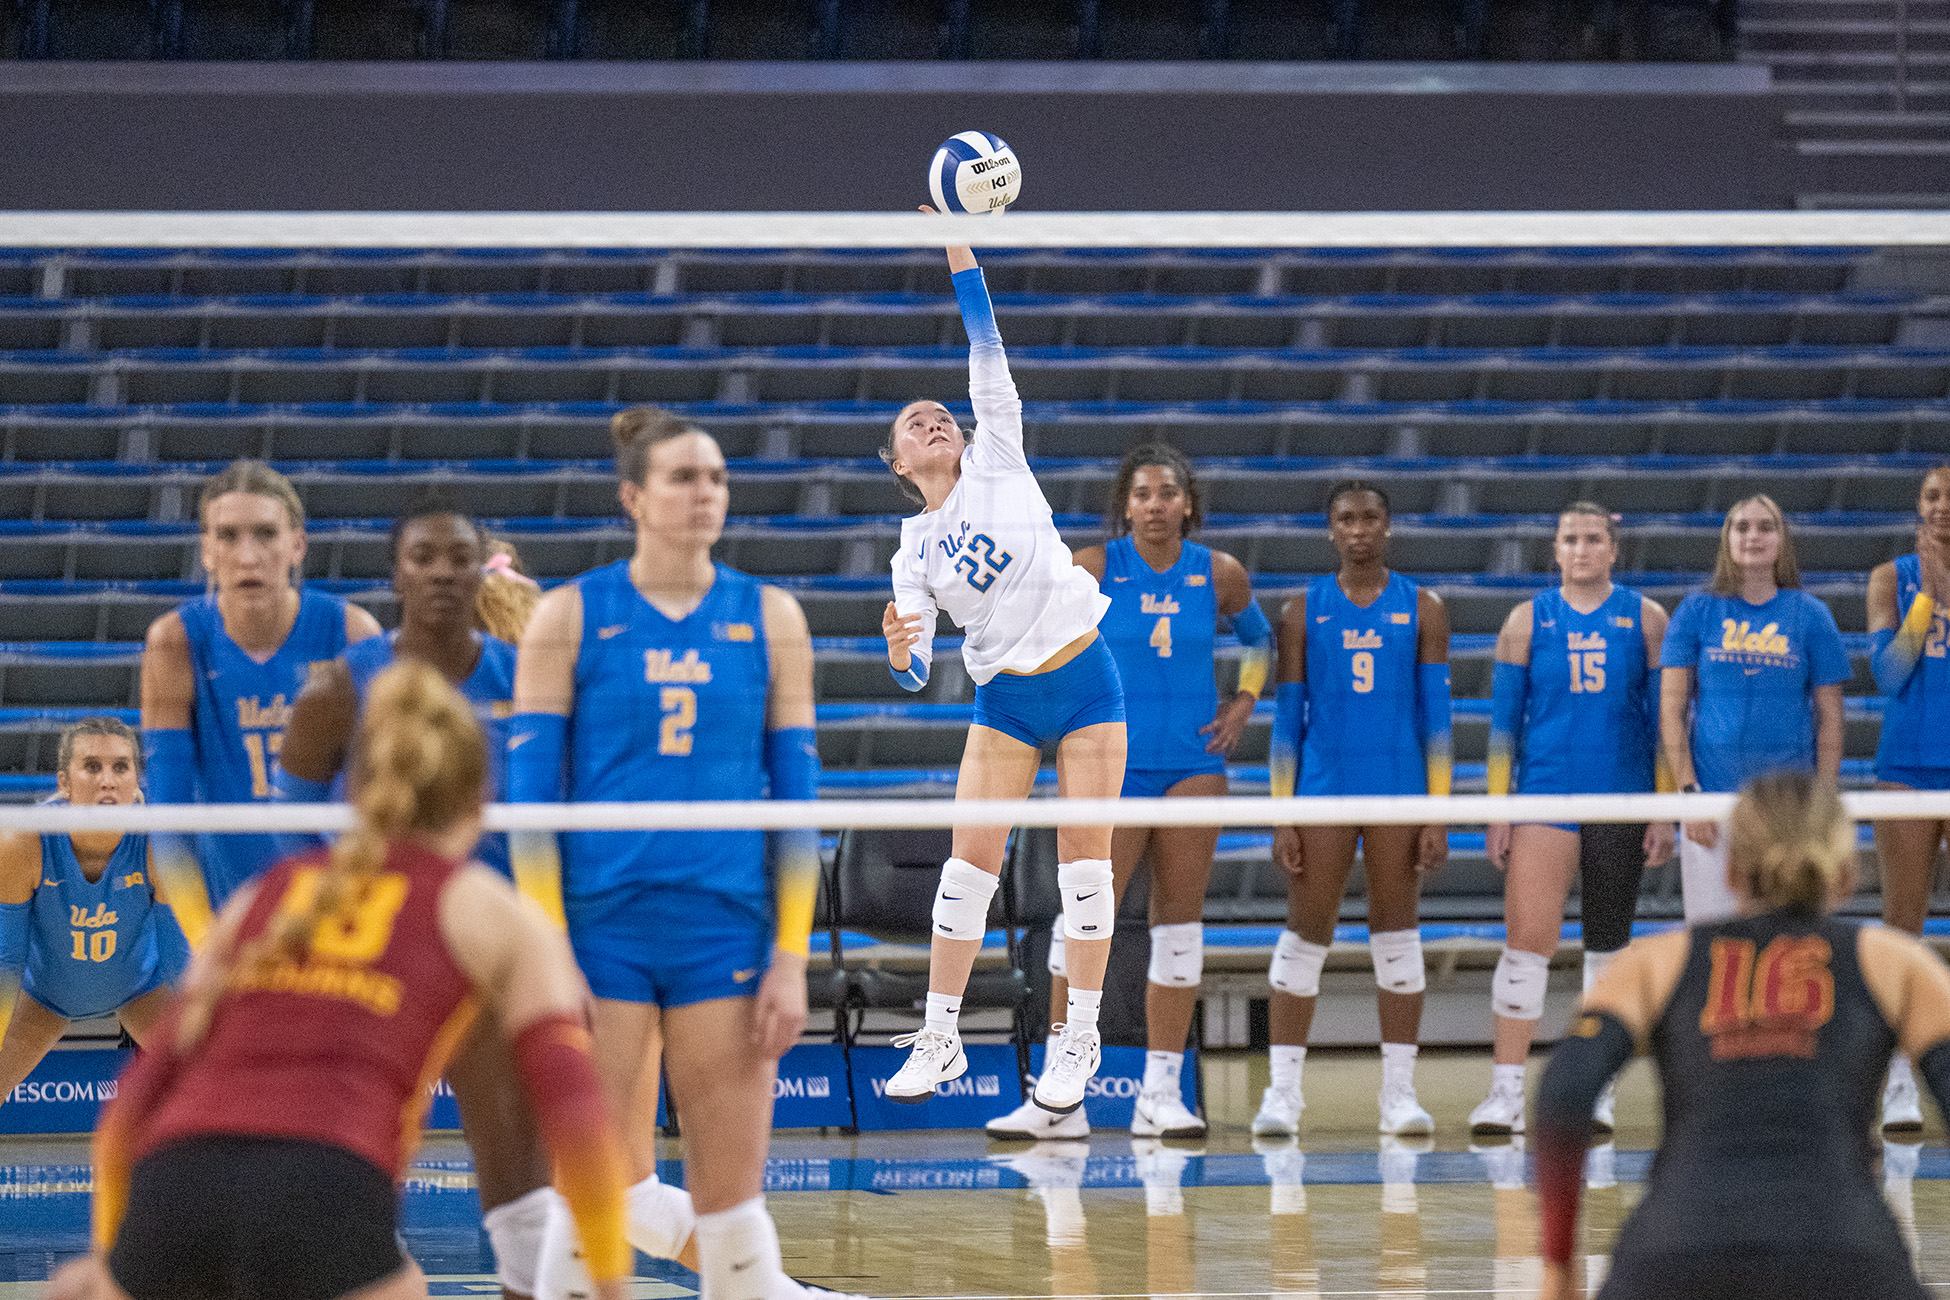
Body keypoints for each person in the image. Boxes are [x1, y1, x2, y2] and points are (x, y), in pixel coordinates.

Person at [50, 662, 634, 1300]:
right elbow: (579, 1126)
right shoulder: (491, 908)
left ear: (350, 789)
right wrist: (611, 1288)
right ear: (480, 796)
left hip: (176, 1184)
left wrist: (114, 1262)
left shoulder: (266, 894)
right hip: (327, 1188)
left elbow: (130, 1108)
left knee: (78, 1287)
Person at [274, 497, 688, 1300]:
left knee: (518, 1163)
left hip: (493, 949)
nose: (439, 573)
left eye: (457, 558)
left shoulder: (526, 680)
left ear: (480, 570)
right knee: (345, 1153)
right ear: (396, 572)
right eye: (421, 557)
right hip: (378, 953)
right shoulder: (338, 688)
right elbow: (287, 834)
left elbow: (574, 820)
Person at [510, 404, 835, 1300]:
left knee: (732, 1216)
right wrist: (547, 953)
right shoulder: (569, 617)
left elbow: (798, 806)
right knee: (593, 1200)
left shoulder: (772, 617)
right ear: (633, 498)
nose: (706, 495)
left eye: (718, 478)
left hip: (724, 929)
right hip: (599, 930)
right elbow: (530, 809)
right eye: (684, 478)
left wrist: (791, 956)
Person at [877, 223, 1126, 1115]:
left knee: (1085, 870)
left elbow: (984, 334)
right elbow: (914, 675)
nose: (933, 417)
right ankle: (940, 1036)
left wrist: (956, 243)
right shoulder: (911, 550)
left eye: (938, 410)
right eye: (913, 424)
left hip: (1085, 678)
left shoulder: (999, 450)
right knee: (966, 870)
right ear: (901, 464)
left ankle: (1078, 1039)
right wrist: (904, 655)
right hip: (1006, 701)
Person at [1533, 770, 1950, 1300]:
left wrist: (1559, 1269)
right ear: (1845, 873)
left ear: (1730, 871)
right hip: (1845, 1254)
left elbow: (1564, 1092)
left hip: (1675, 1255)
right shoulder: (1896, 962)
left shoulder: (1659, 961)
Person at [986, 442, 1268, 1141]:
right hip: (1108, 763)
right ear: (1126, 505)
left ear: (1188, 505)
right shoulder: (1093, 566)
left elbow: (1259, 641)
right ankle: (1059, 1101)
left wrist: (1243, 702)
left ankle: (1162, 1095)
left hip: (1192, 767)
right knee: (1084, 922)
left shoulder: (1220, 574)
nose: (1155, 506)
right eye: (1141, 494)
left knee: (1179, 923)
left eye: (1167, 493)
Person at [1470, 503, 1675, 1135]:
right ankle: (1505, 1093)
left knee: (1607, 951)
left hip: (1621, 797)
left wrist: (1665, 808)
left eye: (1593, 540)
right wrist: (1500, 807)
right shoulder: (1525, 621)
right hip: (1546, 796)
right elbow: (1503, 727)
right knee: (1526, 945)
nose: (1581, 550)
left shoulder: (1646, 619)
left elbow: (1666, 721)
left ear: (1614, 549)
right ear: (1554, 550)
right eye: (1570, 540)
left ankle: (1596, 1093)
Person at [1259, 481, 1451, 1137]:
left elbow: (1440, 722)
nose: (1360, 528)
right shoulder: (1301, 611)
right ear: (1331, 530)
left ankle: (1399, 1095)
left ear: (1389, 526)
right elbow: (1286, 720)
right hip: (1324, 786)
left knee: (1397, 934)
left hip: (1399, 787)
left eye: (1371, 517)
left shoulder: (1424, 608)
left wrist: (1438, 810)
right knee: (1305, 930)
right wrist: (1282, 811)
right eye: (1346, 518)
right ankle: (1282, 1094)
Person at [139, 459, 383, 931]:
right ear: (206, 550)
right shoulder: (175, 642)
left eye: (266, 534)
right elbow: (168, 815)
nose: (248, 556)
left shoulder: (351, 632)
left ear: (297, 544)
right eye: (228, 536)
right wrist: (203, 936)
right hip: (231, 907)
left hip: (340, 898)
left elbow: (378, 793)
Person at [1660, 495, 1850, 924]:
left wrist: (1819, 801)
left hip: (1787, 804)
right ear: (1727, 539)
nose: (1753, 536)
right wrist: (1689, 797)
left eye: (1765, 527)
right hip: (1712, 798)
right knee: (1713, 935)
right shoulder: (1696, 611)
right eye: (1741, 527)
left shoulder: (1811, 615)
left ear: (1782, 540)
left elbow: (1832, 720)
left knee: (1787, 931)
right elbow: (1671, 714)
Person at [0, 720, 189, 1099]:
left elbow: (178, 959)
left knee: (207, 1084)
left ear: (137, 782)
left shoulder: (160, 842)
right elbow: (7, 959)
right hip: (45, 997)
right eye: (91, 766)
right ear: (64, 783)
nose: (108, 781)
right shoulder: (23, 842)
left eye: (121, 767)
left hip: (141, 990)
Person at [1868, 464, 1950, 1131]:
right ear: (1918, 506)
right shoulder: (1890, 577)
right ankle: (1898, 1079)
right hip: (1906, 766)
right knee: (1904, 924)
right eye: (1932, 496)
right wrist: (1926, 599)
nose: (1943, 506)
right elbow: (1890, 675)